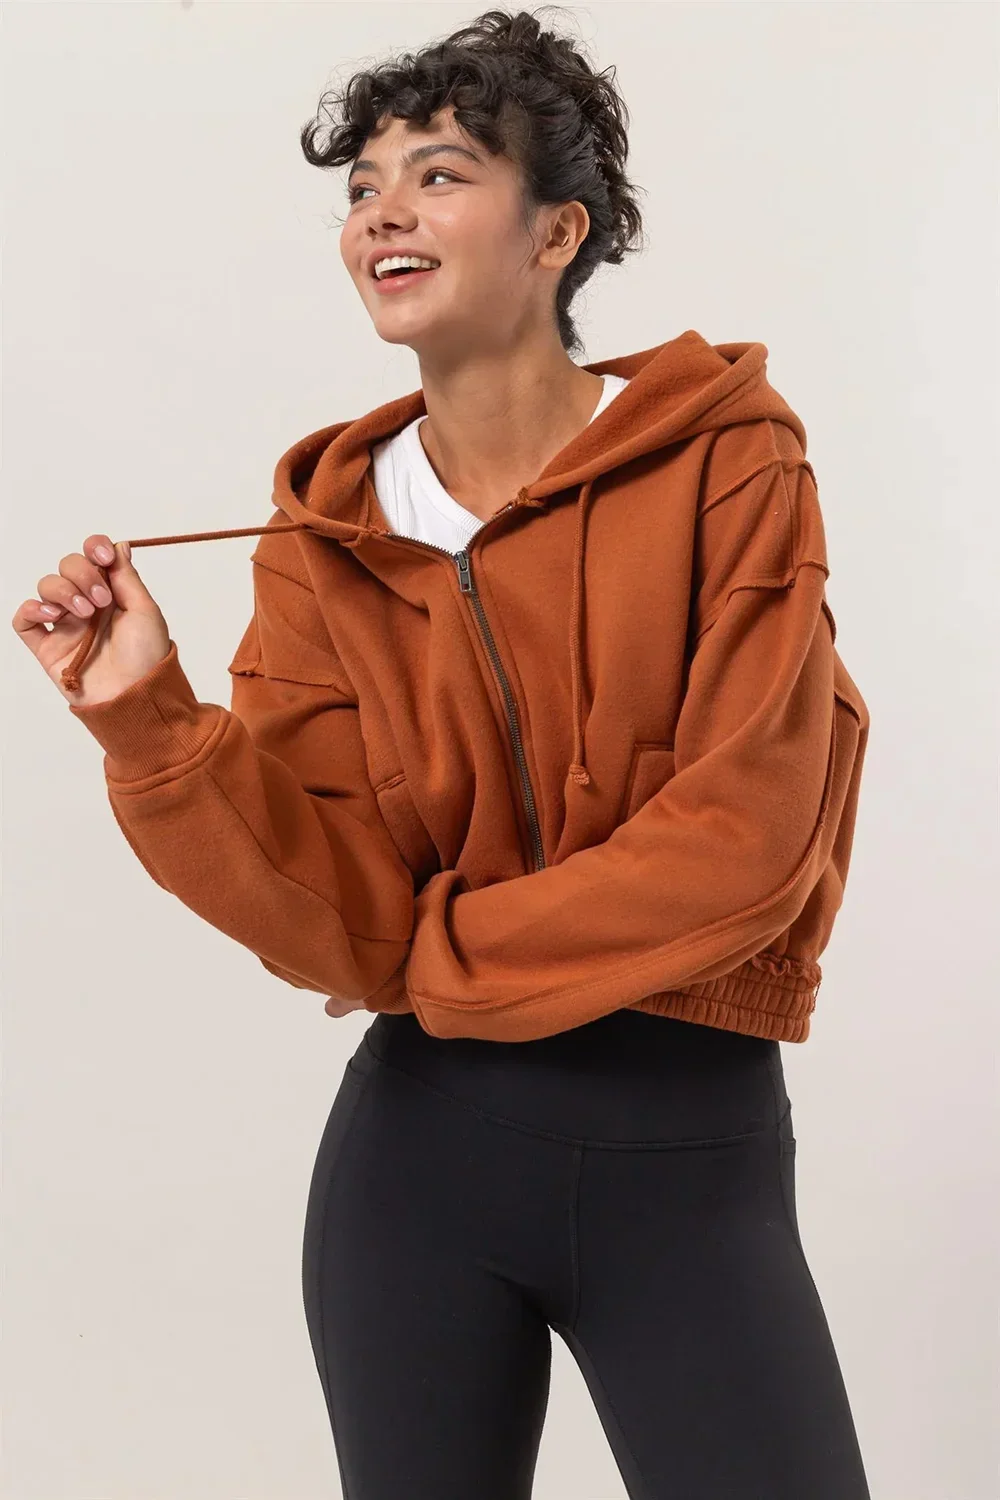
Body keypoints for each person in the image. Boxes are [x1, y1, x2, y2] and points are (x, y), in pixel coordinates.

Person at [12, 8, 874, 1496]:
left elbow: (748, 841)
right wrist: (149, 717)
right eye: (363, 188)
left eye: (441, 174)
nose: (382, 214)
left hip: (689, 1155)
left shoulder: (730, 464)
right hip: (419, 1166)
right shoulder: (322, 538)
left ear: (558, 234)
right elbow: (332, 918)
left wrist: (432, 960)